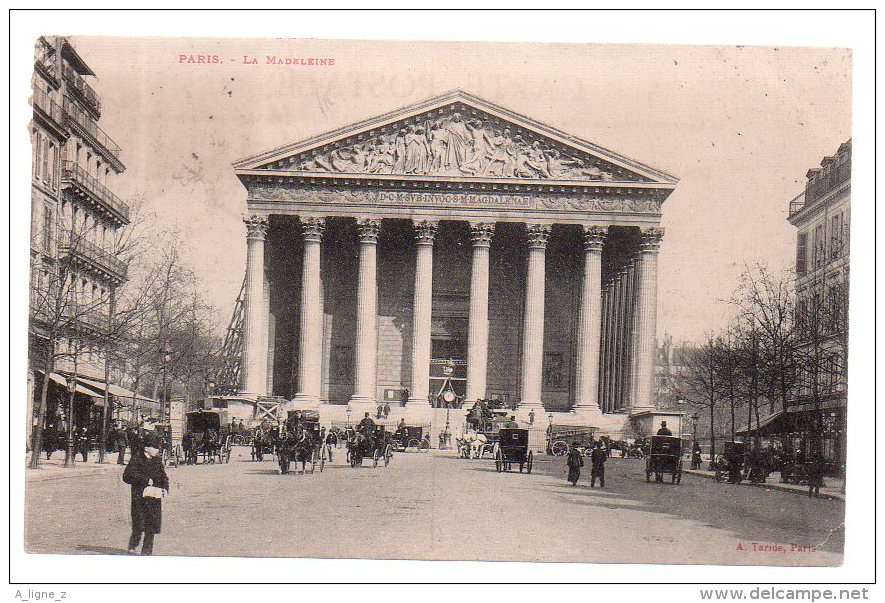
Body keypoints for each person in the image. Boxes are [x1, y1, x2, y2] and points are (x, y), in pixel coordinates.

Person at [123, 432, 169, 556]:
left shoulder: (157, 461)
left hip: (154, 498)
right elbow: (126, 476)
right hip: (140, 499)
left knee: (151, 529)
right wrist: (144, 480)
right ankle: (133, 545)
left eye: (158, 447)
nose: (157, 450)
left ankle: (146, 554)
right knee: (138, 526)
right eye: (155, 447)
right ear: (146, 448)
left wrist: (165, 488)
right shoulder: (137, 458)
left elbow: (164, 477)